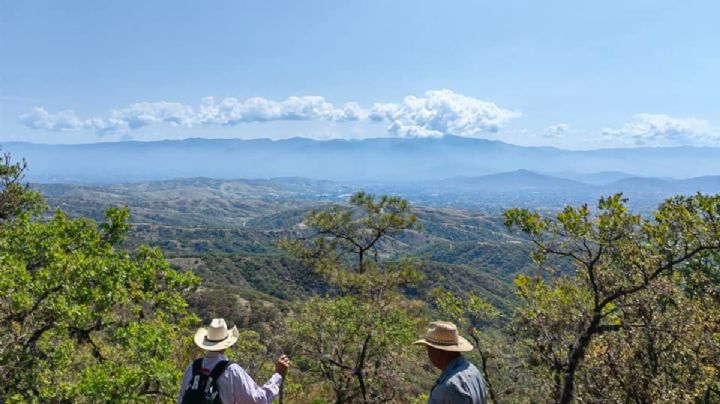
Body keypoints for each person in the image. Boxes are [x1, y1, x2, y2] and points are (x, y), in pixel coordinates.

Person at [178, 318, 290, 404]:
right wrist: (278, 376)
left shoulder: (192, 368)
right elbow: (258, 400)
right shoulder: (231, 371)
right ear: (226, 345)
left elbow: (182, 399)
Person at [413, 321, 487, 404]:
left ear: (438, 352)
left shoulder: (449, 388)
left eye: (429, 351)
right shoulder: (473, 371)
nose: (428, 355)